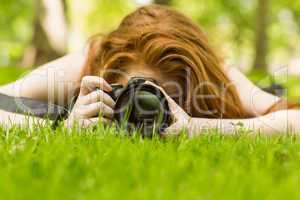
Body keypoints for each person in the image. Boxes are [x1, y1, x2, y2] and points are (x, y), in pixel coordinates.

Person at [0, 5, 299, 136]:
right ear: (108, 79)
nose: (148, 105)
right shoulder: (89, 63)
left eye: (169, 96)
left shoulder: (214, 74)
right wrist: (62, 126)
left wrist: (198, 127)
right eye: (132, 90)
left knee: (272, 96)